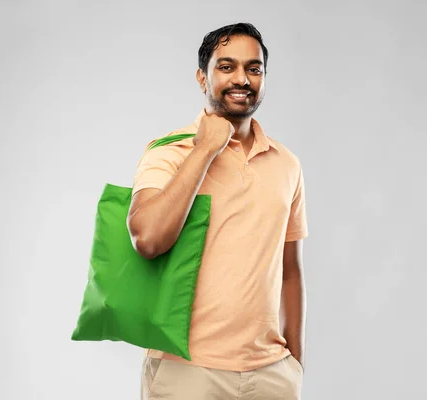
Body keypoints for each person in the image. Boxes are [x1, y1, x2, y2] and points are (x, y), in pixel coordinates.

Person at [127, 22, 308, 399]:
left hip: (271, 375)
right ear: (202, 77)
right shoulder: (168, 153)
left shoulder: (286, 164)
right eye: (226, 67)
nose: (241, 78)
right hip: (187, 373)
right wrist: (205, 148)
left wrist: (295, 365)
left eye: (253, 69)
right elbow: (147, 238)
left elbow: (290, 271)